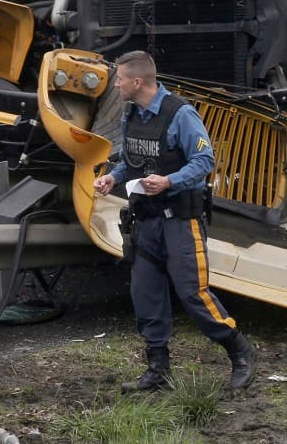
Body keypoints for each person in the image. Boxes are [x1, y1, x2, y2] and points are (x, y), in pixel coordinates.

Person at [92, 50, 255, 392]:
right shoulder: (131, 113)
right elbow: (130, 160)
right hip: (145, 223)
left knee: (192, 293)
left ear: (137, 82)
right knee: (145, 293)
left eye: (119, 78)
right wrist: (112, 177)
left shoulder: (180, 114)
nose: (115, 83)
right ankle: (158, 370)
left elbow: (204, 159)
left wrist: (169, 181)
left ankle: (239, 351)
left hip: (180, 221)